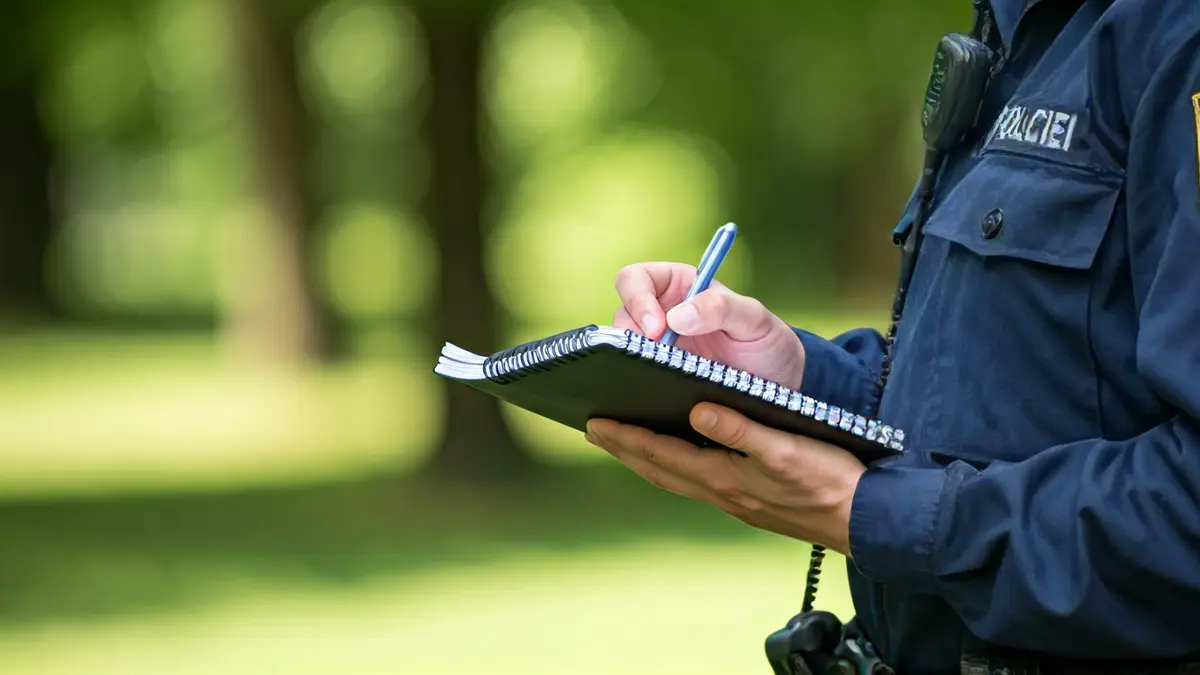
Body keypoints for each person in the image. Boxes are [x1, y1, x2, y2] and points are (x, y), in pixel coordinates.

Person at [583, 0, 1200, 673]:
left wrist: (876, 513)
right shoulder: (1016, 30)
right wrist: (798, 378)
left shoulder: (1175, 33)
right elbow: (1014, 397)